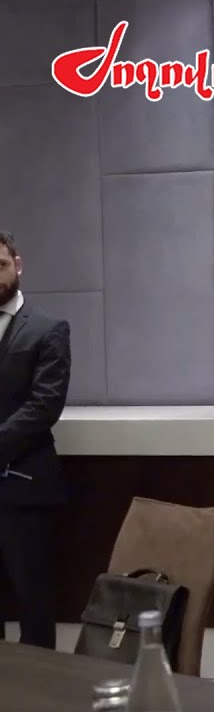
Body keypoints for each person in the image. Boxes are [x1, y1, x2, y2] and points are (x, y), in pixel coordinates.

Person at [0, 231, 70, 651]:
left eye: (1, 265)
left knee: (35, 610)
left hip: (25, 491)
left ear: (18, 265)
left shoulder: (48, 329)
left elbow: (44, 406)